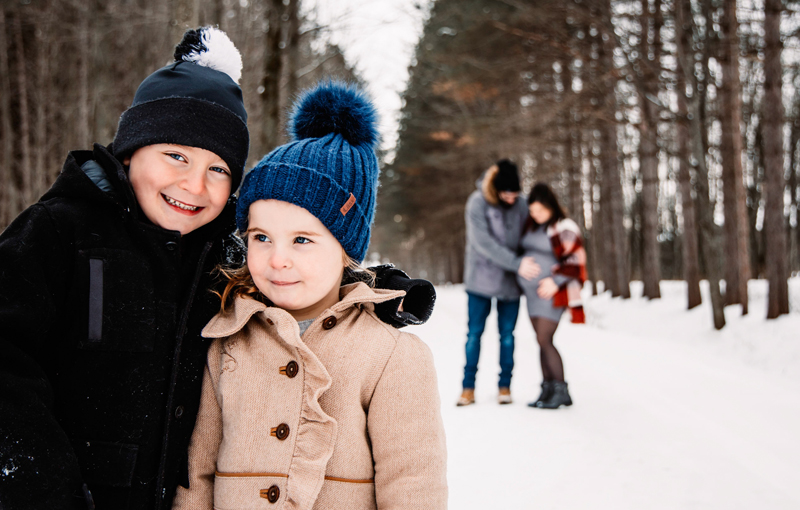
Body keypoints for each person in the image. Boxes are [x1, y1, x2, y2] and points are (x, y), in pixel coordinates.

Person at [0, 29, 434, 510]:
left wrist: (374, 290)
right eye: (176, 156)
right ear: (130, 151)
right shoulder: (60, 230)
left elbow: (292, 274)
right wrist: (40, 482)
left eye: (218, 169)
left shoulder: (215, 249)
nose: (193, 184)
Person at [171, 81, 447, 509]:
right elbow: (196, 475)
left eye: (302, 240)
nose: (277, 259)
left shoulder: (392, 357)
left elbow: (414, 485)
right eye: (262, 237)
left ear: (345, 251)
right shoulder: (225, 338)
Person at [457, 159, 538, 406]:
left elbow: (530, 236)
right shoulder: (477, 202)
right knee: (474, 334)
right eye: (507, 194)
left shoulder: (521, 204)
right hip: (480, 280)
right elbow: (483, 243)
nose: (512, 199)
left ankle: (505, 386)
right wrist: (517, 263)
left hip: (510, 283)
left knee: (507, 336)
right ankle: (467, 388)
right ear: (496, 189)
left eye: (515, 194)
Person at [517, 183, 587, 409]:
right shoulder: (533, 226)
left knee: (545, 339)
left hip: (551, 294)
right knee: (541, 341)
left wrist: (554, 282)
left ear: (550, 206)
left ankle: (561, 389)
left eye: (539, 210)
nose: (535, 215)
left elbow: (576, 261)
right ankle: (547, 390)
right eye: (532, 211)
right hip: (532, 296)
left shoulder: (563, 227)